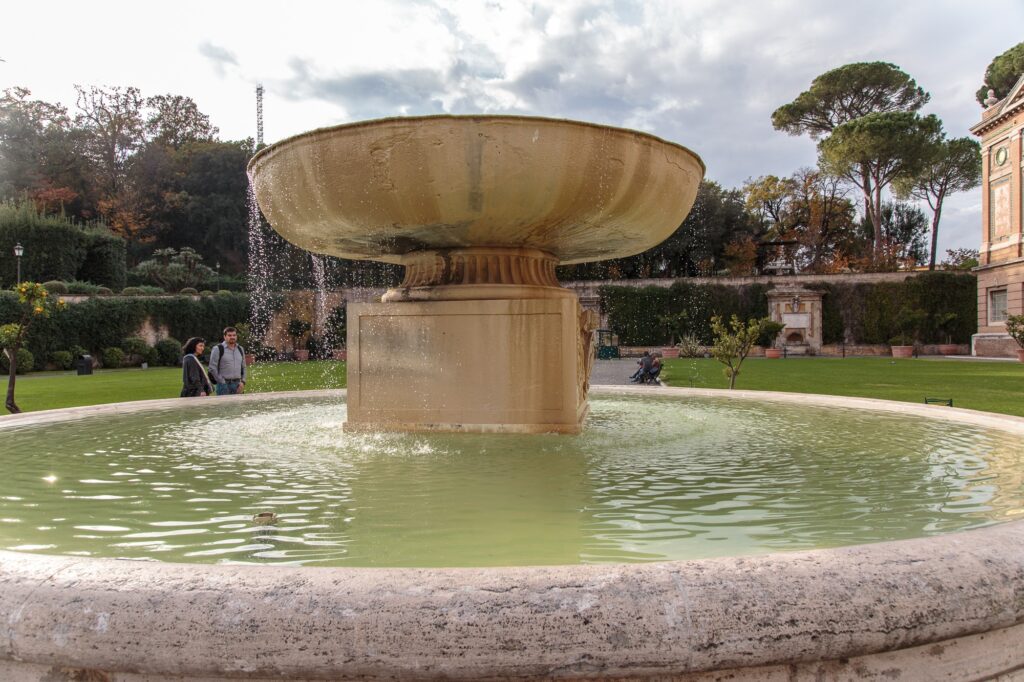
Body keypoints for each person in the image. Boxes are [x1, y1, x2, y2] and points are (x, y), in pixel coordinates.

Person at [208, 326, 247, 396]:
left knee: (237, 406)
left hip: (237, 384)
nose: (232, 337)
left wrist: (243, 382)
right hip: (223, 385)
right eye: (229, 335)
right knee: (224, 407)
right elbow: (212, 368)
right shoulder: (218, 349)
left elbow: (243, 367)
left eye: (234, 335)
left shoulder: (240, 349)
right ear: (224, 336)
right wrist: (222, 382)